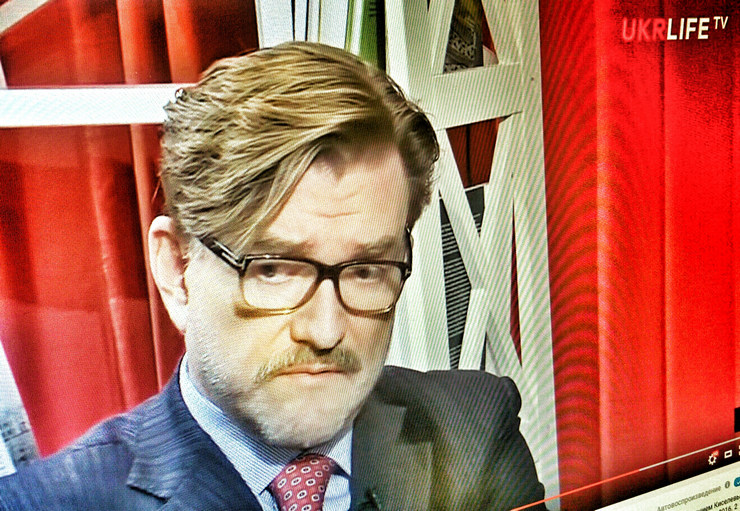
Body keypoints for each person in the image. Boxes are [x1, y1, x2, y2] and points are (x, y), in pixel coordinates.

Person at [0, 42, 545, 511]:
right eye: (273, 269)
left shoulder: (473, 427)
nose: (326, 331)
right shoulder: (46, 503)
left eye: (366, 270)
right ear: (177, 271)